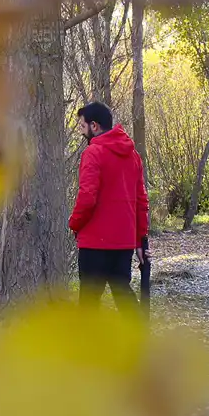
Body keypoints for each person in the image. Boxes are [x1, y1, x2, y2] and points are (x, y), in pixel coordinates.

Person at [68, 101, 150, 312]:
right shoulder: (133, 157)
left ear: (94, 126)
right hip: (123, 242)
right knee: (123, 293)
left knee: (89, 302)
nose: (82, 131)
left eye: (83, 126)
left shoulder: (92, 153)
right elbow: (141, 202)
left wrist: (74, 224)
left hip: (94, 242)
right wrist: (140, 240)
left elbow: (87, 197)